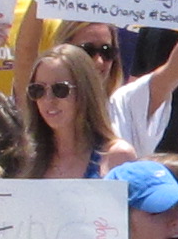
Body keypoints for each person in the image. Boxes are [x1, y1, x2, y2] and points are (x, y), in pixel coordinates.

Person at [19, 44, 133, 180]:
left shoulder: (117, 156)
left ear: (85, 91)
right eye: (38, 90)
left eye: (60, 89)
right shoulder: (25, 158)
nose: (48, 99)